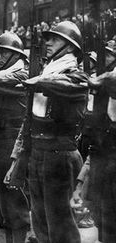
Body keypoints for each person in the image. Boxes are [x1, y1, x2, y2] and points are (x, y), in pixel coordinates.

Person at [7, 21, 88, 243]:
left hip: (60, 156)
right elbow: (28, 121)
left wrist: (39, 80)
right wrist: (19, 158)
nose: (48, 43)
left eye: (55, 39)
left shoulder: (75, 74)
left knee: (61, 225)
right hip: (37, 153)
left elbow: (71, 85)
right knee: (40, 221)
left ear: (70, 47)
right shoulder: (47, 70)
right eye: (47, 39)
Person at [0, 32, 30, 243]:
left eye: (2, 53)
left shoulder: (22, 74)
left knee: (13, 201)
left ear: (14, 54)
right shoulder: (0, 73)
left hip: (10, 141)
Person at [72, 41, 116, 242]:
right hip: (101, 153)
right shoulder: (101, 87)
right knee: (102, 219)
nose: (102, 59)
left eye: (107, 54)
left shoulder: (108, 80)